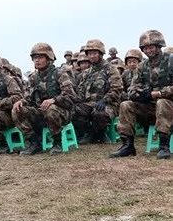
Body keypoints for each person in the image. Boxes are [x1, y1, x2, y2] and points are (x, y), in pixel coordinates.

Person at [111, 30, 173, 159]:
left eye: (151, 47)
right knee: (126, 105)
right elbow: (133, 88)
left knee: (162, 102)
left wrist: (159, 93)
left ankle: (164, 146)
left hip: (169, 106)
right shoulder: (142, 66)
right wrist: (140, 94)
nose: (148, 50)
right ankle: (127, 145)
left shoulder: (170, 61)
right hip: (150, 108)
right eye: (145, 48)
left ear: (159, 46)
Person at [12, 43, 76, 155]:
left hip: (62, 113)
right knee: (17, 110)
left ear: (49, 58)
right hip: (40, 112)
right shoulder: (33, 78)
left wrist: (54, 100)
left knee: (50, 108)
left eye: (40, 57)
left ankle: (57, 142)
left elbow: (70, 97)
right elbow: (28, 97)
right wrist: (21, 102)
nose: (37, 60)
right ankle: (34, 143)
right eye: (35, 58)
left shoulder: (60, 74)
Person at [72, 39, 122, 144]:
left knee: (99, 113)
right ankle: (90, 133)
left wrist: (105, 100)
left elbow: (117, 88)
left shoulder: (111, 69)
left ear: (101, 54)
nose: (92, 56)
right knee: (74, 110)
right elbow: (81, 90)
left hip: (108, 103)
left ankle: (100, 134)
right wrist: (76, 100)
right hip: (89, 103)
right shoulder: (86, 72)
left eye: (94, 53)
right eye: (89, 54)